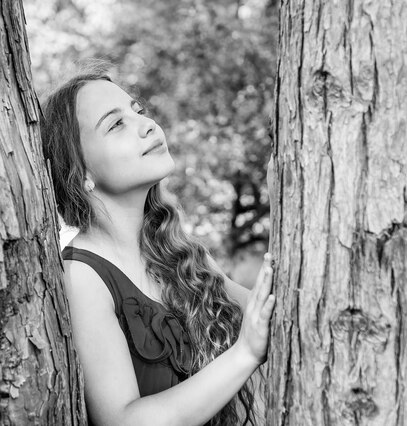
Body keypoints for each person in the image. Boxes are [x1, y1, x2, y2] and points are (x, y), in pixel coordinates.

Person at [40, 66, 275, 426]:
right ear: (81, 170)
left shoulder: (181, 253)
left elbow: (276, 315)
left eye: (138, 110)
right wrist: (244, 353)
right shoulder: (81, 277)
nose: (147, 124)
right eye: (115, 124)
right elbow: (123, 421)